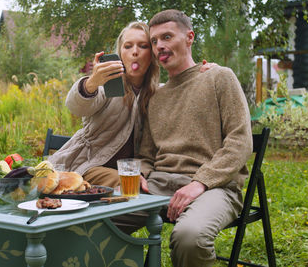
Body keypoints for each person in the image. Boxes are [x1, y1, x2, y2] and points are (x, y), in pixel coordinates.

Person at [138, 9, 253, 267]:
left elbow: (240, 143)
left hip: (214, 187)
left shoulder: (219, 77)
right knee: (101, 218)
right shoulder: (156, 96)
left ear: (189, 37)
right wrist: (141, 175)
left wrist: (200, 182)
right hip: (158, 185)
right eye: (154, 41)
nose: (159, 47)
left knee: (191, 237)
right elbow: (146, 154)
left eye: (167, 37)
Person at [48, 21, 216, 188]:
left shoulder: (158, 93)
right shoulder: (107, 87)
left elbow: (184, 92)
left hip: (134, 170)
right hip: (87, 166)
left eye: (143, 46)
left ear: (152, 54)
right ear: (120, 53)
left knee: (148, 185)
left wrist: (205, 75)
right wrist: (91, 83)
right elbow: (76, 107)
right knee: (131, 185)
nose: (135, 52)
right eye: (128, 46)